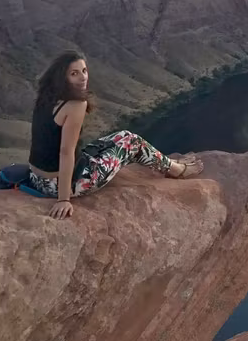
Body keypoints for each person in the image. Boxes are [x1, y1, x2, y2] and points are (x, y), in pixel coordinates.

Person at [28, 50, 203, 220]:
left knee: (123, 136)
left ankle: (170, 163)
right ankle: (176, 170)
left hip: (36, 179)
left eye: (84, 70)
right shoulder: (75, 104)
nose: (83, 77)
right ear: (62, 78)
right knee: (132, 142)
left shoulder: (47, 97)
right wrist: (63, 199)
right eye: (74, 73)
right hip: (63, 185)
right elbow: (65, 152)